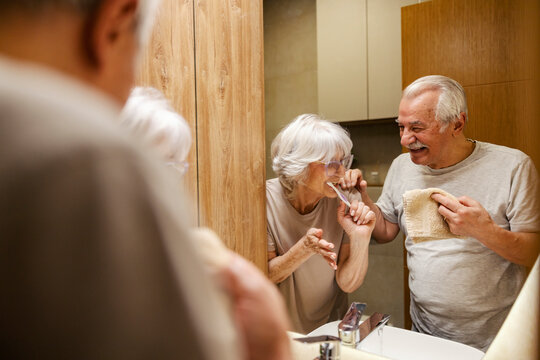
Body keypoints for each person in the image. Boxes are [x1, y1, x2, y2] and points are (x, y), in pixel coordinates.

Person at [0, 1, 291, 359]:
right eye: (159, 167)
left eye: (177, 166)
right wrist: (271, 345)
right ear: (116, 19)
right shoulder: (82, 159)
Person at [346, 75, 540, 351]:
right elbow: (386, 229)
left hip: (496, 338)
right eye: (400, 127)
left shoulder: (513, 167)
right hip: (424, 332)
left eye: (417, 128)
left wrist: (483, 230)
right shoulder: (402, 166)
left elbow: (533, 251)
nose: (405, 139)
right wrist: (361, 197)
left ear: (457, 124)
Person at [267, 113, 376, 334]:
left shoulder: (345, 199)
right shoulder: (264, 200)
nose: (342, 173)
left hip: (329, 327)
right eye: (333, 164)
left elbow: (348, 284)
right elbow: (266, 276)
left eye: (344, 162)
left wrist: (361, 238)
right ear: (300, 165)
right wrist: (304, 249)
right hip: (279, 332)